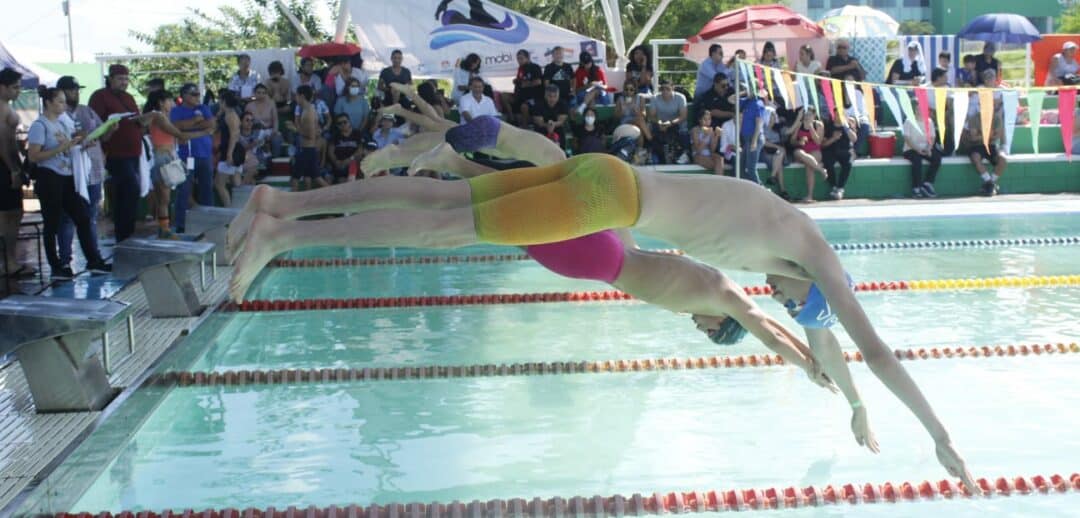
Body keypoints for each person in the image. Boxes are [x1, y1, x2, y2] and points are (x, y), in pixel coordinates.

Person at [225, 153, 978, 493]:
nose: (778, 299)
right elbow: (868, 346)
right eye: (791, 299)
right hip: (607, 207)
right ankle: (284, 236)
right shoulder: (814, 256)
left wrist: (851, 405)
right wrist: (939, 433)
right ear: (809, 287)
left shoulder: (792, 256)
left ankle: (280, 206)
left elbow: (824, 347)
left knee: (446, 204)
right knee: (441, 229)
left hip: (608, 177)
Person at [27, 87, 110, 279]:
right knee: (52, 222)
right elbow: (34, 155)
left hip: (66, 177)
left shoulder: (62, 124)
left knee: (82, 217)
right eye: (60, 102)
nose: (64, 105)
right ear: (48, 103)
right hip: (49, 177)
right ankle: (56, 266)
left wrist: (81, 144)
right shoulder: (40, 125)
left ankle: (93, 260)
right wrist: (62, 147)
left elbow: (69, 146)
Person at [145, 90, 214, 237]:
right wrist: (205, 132)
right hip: (162, 157)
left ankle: (164, 229)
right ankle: (165, 230)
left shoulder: (162, 117)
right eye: (169, 101)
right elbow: (180, 134)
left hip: (166, 156)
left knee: (164, 198)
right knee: (164, 198)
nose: (172, 104)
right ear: (161, 102)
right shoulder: (159, 117)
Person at [56, 76, 108, 267]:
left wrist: (109, 127)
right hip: (72, 173)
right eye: (71, 90)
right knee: (68, 218)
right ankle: (64, 259)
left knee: (91, 216)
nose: (76, 93)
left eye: (77, 90)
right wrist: (80, 139)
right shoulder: (57, 115)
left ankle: (94, 258)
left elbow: (103, 131)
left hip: (92, 170)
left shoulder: (87, 110)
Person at [88, 64, 143, 242]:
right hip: (115, 153)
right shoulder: (100, 96)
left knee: (128, 193)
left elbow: (135, 119)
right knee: (129, 190)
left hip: (133, 152)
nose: (124, 83)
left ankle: (127, 234)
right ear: (110, 78)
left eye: (126, 79)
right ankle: (123, 234)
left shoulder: (128, 97)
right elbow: (95, 124)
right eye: (120, 79)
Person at [170, 83, 216, 230]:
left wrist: (188, 127)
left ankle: (207, 223)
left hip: (205, 155)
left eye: (198, 94)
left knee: (206, 190)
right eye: (194, 94)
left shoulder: (204, 108)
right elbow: (176, 127)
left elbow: (211, 124)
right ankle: (180, 225)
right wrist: (198, 124)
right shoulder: (176, 111)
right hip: (185, 156)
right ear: (183, 96)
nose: (198, 97)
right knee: (183, 190)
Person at [0, 69, 26, 278]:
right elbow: (3, 143)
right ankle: (8, 262)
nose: (19, 91)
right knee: (9, 215)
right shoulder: (2, 109)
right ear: (3, 87)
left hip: (8, 164)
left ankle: (9, 260)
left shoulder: (7, 108)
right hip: (4, 167)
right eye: (15, 87)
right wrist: (13, 170)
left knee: (14, 214)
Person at [959, 87, 1007, 197]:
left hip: (990, 146)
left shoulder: (996, 119)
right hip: (976, 146)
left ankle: (990, 183)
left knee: (1003, 160)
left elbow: (996, 136)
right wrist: (987, 136)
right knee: (975, 157)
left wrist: (983, 135)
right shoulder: (974, 118)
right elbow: (974, 138)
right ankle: (990, 183)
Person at [292, 86, 331, 190]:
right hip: (308, 150)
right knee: (317, 178)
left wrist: (295, 129)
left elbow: (311, 135)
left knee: (295, 178)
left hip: (306, 151)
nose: (295, 98)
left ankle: (291, 204)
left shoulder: (308, 112)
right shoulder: (307, 110)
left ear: (302, 96)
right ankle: (335, 195)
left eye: (296, 95)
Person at [789, 107, 828, 202]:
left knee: (809, 167)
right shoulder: (799, 124)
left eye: (809, 114)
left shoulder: (818, 125)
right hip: (802, 150)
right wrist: (799, 142)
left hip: (815, 150)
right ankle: (821, 170)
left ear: (814, 115)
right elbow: (792, 142)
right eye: (806, 114)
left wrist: (811, 127)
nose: (807, 116)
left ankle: (809, 196)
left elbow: (818, 142)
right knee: (799, 153)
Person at [902, 108, 942, 199]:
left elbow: (932, 137)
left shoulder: (929, 121)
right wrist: (917, 149)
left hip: (925, 148)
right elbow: (907, 139)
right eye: (918, 108)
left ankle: (927, 183)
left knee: (937, 158)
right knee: (917, 160)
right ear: (915, 110)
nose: (919, 110)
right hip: (910, 149)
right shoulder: (908, 121)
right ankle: (916, 188)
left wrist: (929, 149)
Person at [648, 79, 689, 165]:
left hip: (676, 124)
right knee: (650, 128)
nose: (665, 91)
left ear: (673, 88)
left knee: (683, 129)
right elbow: (651, 116)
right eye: (662, 89)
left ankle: (684, 153)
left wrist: (670, 123)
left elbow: (683, 116)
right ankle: (651, 153)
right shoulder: (655, 98)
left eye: (667, 89)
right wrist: (659, 122)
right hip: (660, 125)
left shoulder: (681, 97)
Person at [820, 108, 856, 201]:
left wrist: (846, 127)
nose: (838, 117)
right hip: (830, 150)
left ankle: (840, 188)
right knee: (828, 163)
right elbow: (823, 145)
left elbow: (854, 139)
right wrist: (833, 138)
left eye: (840, 115)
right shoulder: (828, 126)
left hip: (844, 150)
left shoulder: (848, 125)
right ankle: (834, 187)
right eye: (836, 115)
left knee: (848, 164)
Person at [216, 90, 243, 207]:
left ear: (224, 102)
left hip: (230, 150)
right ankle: (238, 211)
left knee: (219, 184)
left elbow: (234, 135)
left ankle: (229, 210)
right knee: (236, 184)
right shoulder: (227, 114)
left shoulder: (231, 116)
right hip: (232, 150)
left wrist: (229, 154)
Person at [327, 113, 367, 183]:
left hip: (354, 162)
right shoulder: (335, 135)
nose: (343, 124)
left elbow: (360, 150)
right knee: (339, 179)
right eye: (340, 123)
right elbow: (330, 151)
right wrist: (336, 161)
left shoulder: (357, 133)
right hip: (339, 164)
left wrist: (349, 160)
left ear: (349, 122)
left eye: (345, 122)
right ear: (337, 126)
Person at [507, 49, 543, 126]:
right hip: (520, 95)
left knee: (524, 107)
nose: (519, 61)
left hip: (533, 97)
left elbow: (538, 82)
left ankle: (525, 128)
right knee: (504, 96)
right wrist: (516, 81)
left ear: (528, 58)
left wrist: (526, 84)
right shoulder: (521, 68)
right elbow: (521, 80)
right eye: (518, 59)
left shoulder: (535, 67)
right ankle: (512, 119)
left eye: (521, 58)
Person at [245, 83, 281, 157]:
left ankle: (275, 161)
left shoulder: (271, 103)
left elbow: (275, 120)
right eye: (258, 93)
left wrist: (273, 132)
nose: (261, 95)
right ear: (254, 93)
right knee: (255, 139)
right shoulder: (249, 106)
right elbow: (245, 122)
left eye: (263, 93)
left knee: (276, 139)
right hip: (255, 131)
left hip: (270, 130)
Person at [690, 110, 723, 175]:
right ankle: (719, 179)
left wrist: (716, 136)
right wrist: (706, 136)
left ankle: (719, 179)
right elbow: (698, 150)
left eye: (709, 119)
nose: (707, 121)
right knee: (718, 165)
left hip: (709, 155)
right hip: (698, 156)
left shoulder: (711, 131)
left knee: (719, 158)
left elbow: (712, 149)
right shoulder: (695, 130)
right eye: (705, 119)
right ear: (699, 120)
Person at [266, 61, 293, 129]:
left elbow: (289, 98)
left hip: (284, 104)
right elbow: (266, 97)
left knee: (288, 109)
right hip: (271, 104)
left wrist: (287, 104)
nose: (275, 74)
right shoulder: (267, 82)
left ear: (280, 72)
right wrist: (275, 88)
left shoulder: (286, 82)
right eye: (273, 72)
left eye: (277, 72)